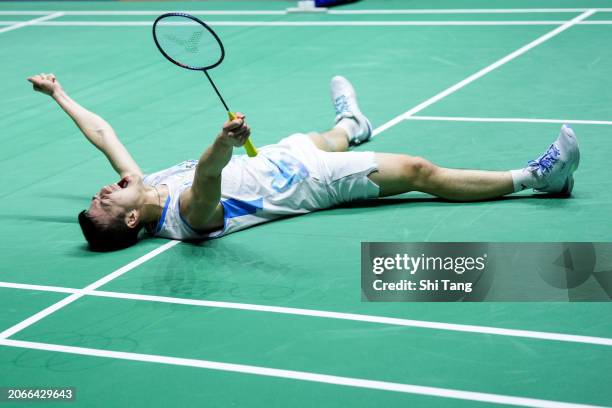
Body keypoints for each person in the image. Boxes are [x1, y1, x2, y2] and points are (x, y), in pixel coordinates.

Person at [27, 73, 580, 251]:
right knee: (416, 171)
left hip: (280, 157)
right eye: (105, 201)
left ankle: (352, 125)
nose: (102, 189)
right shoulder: (186, 220)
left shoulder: (145, 185)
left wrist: (58, 94)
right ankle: (536, 179)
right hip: (313, 185)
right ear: (131, 220)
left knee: (329, 136)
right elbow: (210, 177)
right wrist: (224, 139)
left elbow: (104, 134)